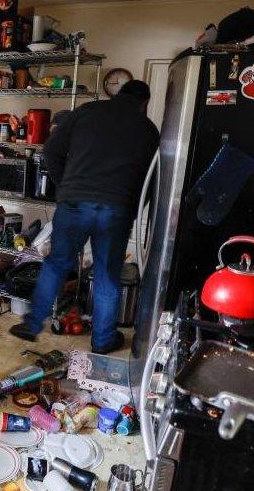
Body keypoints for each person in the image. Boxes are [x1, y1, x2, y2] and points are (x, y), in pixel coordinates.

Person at [11, 80, 159, 353]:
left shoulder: (87, 111)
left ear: (116, 94)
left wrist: (64, 186)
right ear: (144, 103)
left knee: (56, 264)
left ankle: (31, 324)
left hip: (74, 202)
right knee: (106, 275)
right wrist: (134, 207)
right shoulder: (148, 130)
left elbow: (51, 151)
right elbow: (151, 180)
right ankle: (102, 342)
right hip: (116, 209)